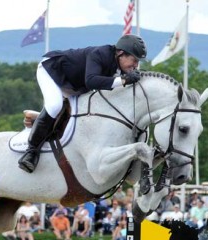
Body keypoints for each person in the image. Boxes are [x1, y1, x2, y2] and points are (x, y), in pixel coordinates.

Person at [18, 34, 147, 173]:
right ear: (121, 53)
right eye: (134, 60)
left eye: (137, 62)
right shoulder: (100, 53)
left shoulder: (118, 65)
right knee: (55, 106)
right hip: (52, 71)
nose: (135, 65)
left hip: (75, 85)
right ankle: (31, 152)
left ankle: (44, 122)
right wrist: (124, 80)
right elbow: (91, 81)